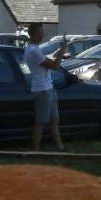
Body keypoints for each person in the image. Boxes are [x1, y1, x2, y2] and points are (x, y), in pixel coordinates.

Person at [24, 23, 65, 153]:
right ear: (35, 34)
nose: (44, 34)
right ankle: (35, 151)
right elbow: (55, 66)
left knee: (54, 120)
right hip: (41, 90)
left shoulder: (36, 49)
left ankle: (60, 147)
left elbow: (49, 61)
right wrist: (62, 50)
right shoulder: (33, 51)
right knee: (41, 122)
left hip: (48, 88)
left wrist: (59, 51)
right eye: (41, 32)